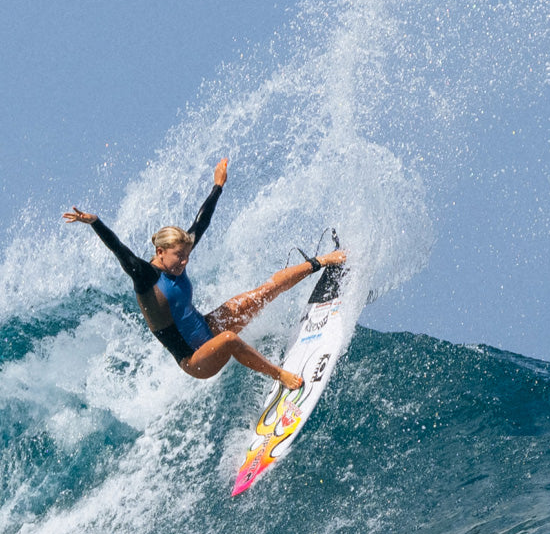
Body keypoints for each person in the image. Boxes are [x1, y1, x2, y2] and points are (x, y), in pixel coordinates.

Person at [63, 158, 346, 391]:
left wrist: (218, 185)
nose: (185, 261)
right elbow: (120, 250)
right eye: (179, 256)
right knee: (229, 340)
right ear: (160, 251)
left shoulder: (178, 257)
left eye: (187, 255)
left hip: (208, 327)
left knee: (259, 294)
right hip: (195, 360)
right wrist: (95, 222)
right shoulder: (145, 276)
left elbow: (201, 222)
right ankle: (280, 375)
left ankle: (323, 261)